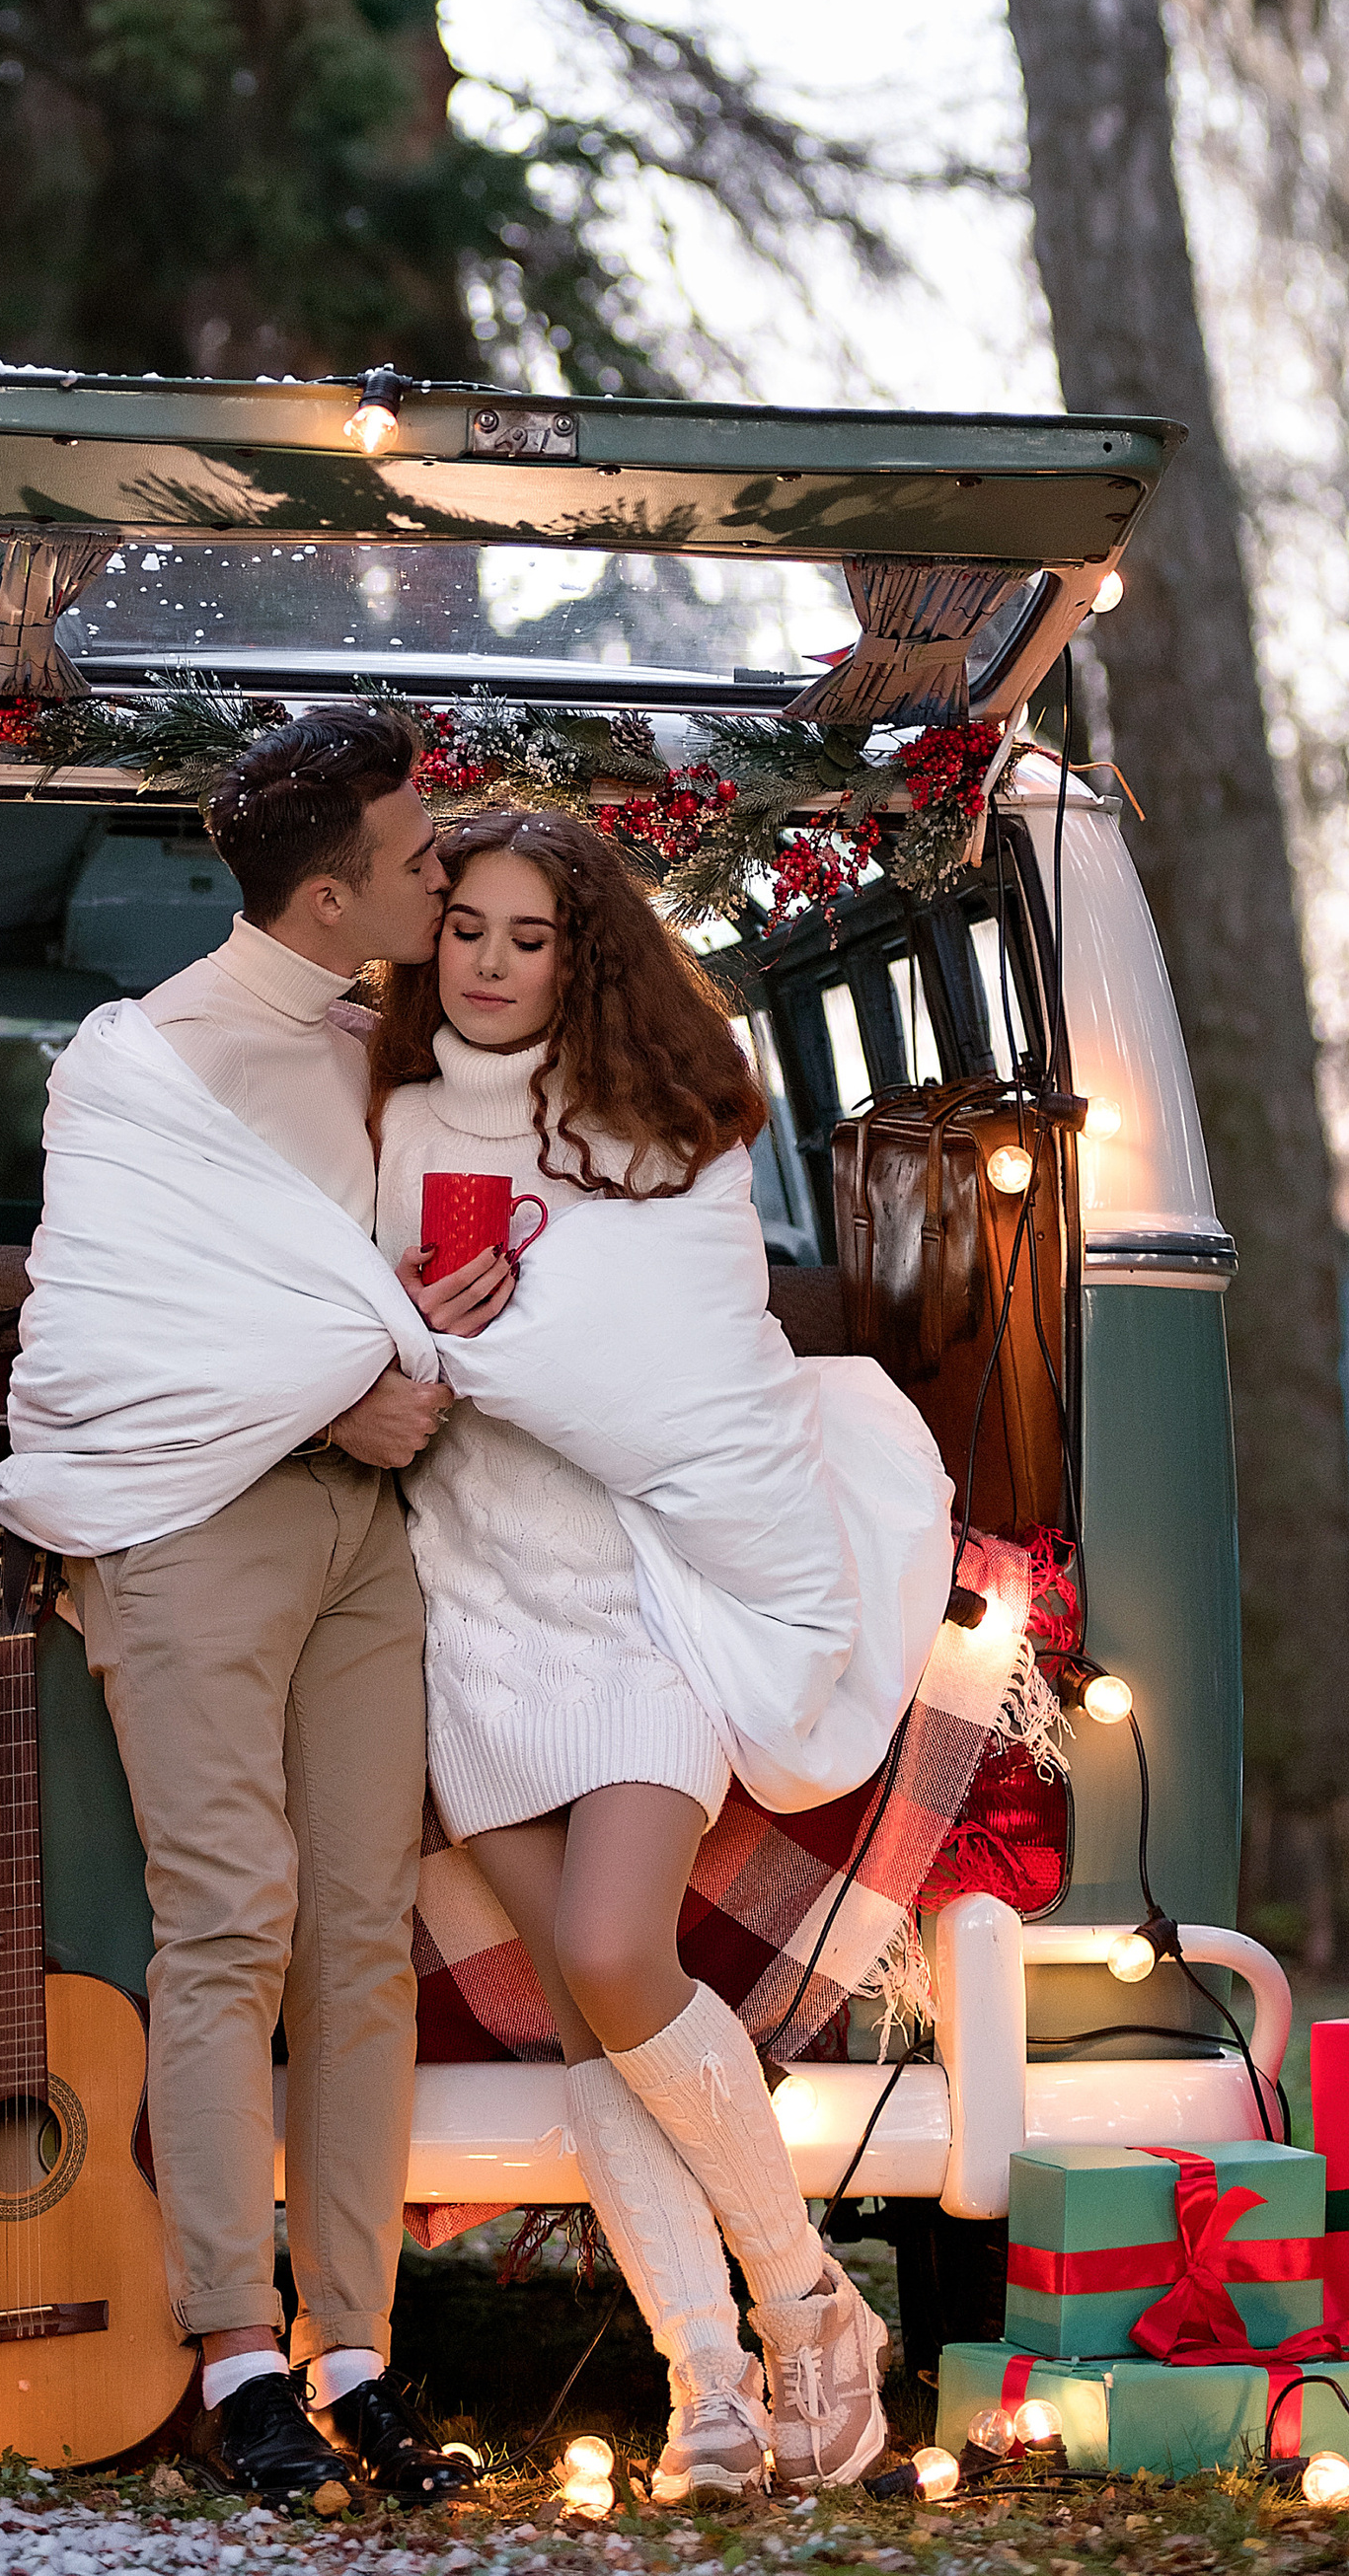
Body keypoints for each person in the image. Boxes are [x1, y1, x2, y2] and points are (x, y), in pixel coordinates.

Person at [372, 809, 953, 2498]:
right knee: (585, 2024)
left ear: (585, 956)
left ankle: (807, 2303)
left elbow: (673, 1363)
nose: (488, 963)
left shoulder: (664, 1131)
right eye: (465, 929)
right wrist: (410, 1329)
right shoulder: (391, 1120)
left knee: (617, 1951)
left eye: (528, 936)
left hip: (635, 1598)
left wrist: (484, 1344)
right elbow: (338, 1320)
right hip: (474, 1607)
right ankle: (711, 2384)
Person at [0, 706, 511, 2512]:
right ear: (327, 892)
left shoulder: (394, 1052)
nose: (446, 874)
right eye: (421, 854)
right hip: (189, 1523)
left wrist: (418, 1335)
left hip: (371, 1537)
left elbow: (376, 1285)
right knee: (228, 1922)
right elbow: (121, 1328)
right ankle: (237, 2356)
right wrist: (336, 1384)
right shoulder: (145, 1064)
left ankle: (356, 2351)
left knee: (362, 1933)